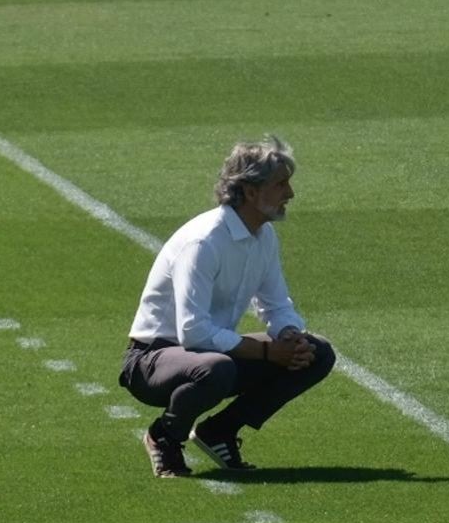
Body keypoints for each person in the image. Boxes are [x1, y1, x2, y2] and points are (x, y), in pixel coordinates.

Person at [118, 135, 336, 477]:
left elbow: (277, 305)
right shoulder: (203, 242)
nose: (290, 194)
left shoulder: (263, 237)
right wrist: (267, 353)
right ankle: (165, 437)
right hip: (152, 359)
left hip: (211, 353)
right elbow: (193, 331)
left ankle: (219, 431)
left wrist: (290, 335)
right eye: (281, 185)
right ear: (250, 192)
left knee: (316, 352)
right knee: (216, 368)